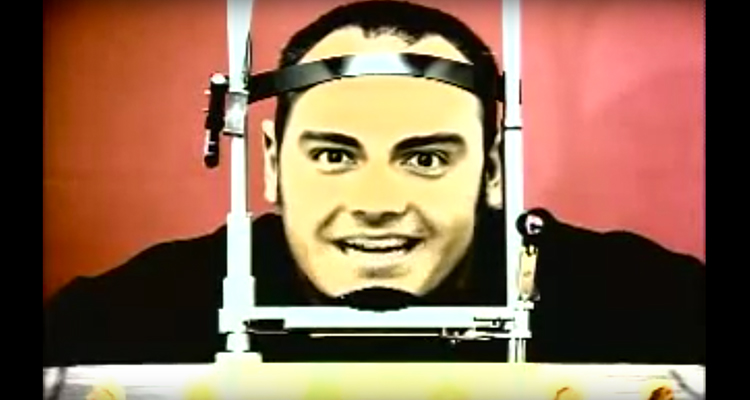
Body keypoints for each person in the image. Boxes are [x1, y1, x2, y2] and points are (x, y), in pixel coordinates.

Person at [43, 0, 705, 366]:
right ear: (271, 164)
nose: (378, 204)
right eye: (335, 155)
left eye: (427, 159)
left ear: (495, 169)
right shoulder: (119, 324)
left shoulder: (655, 310)